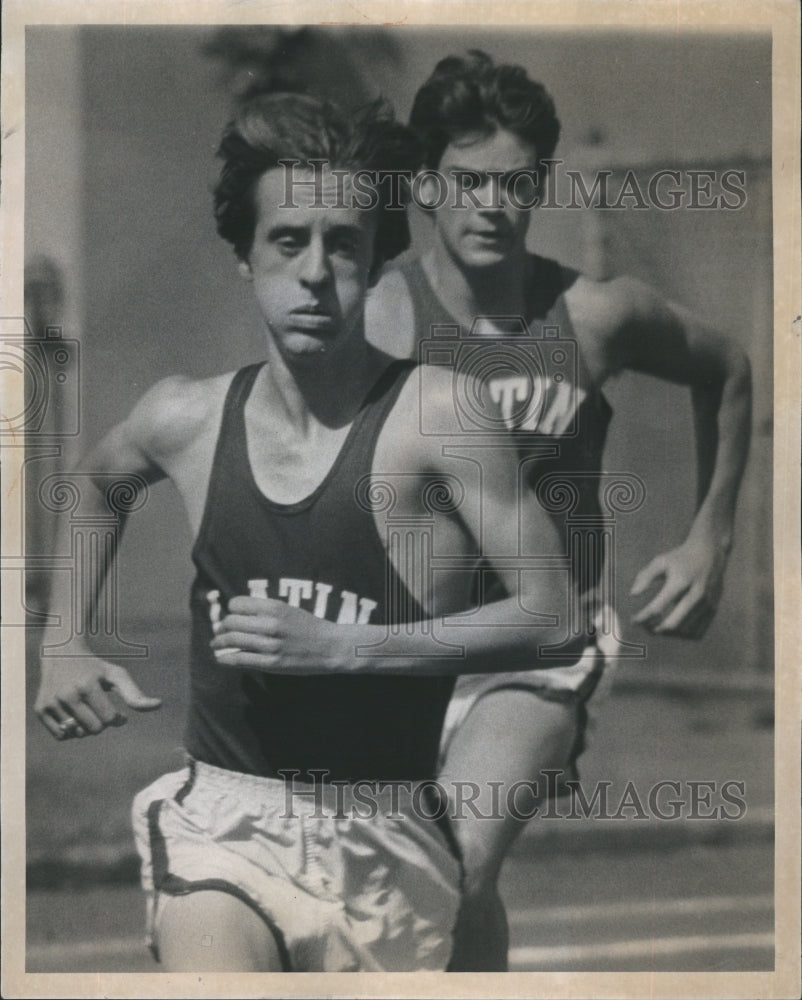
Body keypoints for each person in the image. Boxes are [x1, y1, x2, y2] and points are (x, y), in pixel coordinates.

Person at [34, 92, 589, 973]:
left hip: (388, 836)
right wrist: (64, 641)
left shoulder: (440, 414)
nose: (315, 271)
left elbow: (554, 613)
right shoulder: (184, 415)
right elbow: (95, 485)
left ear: (376, 261)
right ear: (245, 258)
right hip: (228, 823)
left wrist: (349, 648)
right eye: (288, 241)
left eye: (344, 244)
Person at [364, 51, 753, 970]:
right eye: (467, 183)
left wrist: (711, 535)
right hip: (402, 649)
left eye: (515, 183)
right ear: (426, 185)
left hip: (543, 651)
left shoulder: (595, 315)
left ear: (540, 186)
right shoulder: (379, 317)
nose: (491, 205)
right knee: (450, 890)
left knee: (447, 859)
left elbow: (731, 368)